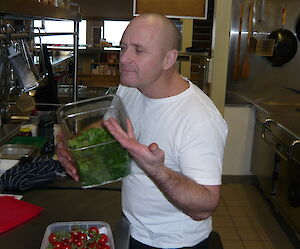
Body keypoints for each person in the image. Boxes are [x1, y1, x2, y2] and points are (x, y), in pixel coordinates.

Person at [57, 13, 228, 249]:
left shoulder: (199, 119)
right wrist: (73, 146)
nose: (124, 58)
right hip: (132, 229)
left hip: (173, 243)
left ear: (168, 59)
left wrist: (156, 169)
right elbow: (111, 129)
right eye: (123, 47)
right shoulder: (132, 87)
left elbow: (205, 206)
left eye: (139, 50)